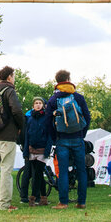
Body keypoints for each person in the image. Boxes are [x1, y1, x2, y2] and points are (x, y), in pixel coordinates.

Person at [45, 69, 90, 210]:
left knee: (63, 171)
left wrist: (54, 138)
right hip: (77, 138)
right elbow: (87, 117)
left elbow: (47, 122)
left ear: (57, 81)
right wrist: (82, 133)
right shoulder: (78, 97)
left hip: (61, 139)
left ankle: (63, 202)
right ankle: (81, 202)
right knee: (81, 171)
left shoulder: (53, 100)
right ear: (69, 79)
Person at [0, 66, 25, 210]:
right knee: (6, 170)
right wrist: (21, 125)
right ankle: (4, 204)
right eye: (14, 76)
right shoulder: (9, 90)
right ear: (9, 77)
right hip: (8, 136)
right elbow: (16, 110)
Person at [21, 96, 52, 206]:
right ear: (33, 106)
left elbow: (49, 135)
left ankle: (33, 198)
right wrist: (26, 151)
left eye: (40, 103)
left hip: (42, 150)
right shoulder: (30, 119)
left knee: (37, 174)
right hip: (31, 149)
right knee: (38, 175)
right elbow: (27, 136)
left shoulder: (47, 118)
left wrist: (48, 150)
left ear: (43, 105)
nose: (38, 105)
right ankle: (43, 198)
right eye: (36, 103)